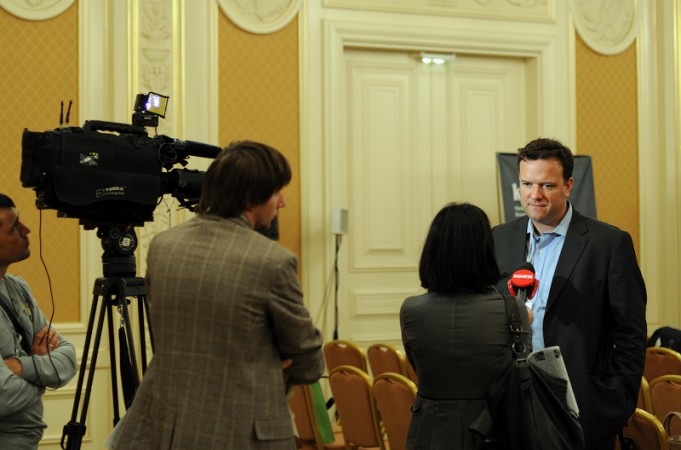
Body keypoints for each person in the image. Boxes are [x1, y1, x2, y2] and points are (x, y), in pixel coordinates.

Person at [113, 140, 325, 449]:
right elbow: (309, 360)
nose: (282, 203)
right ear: (251, 197)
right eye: (276, 192)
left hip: (168, 430)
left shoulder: (163, 246)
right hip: (243, 432)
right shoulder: (272, 261)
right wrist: (269, 368)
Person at [492, 138, 647, 450]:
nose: (535, 195)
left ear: (568, 186)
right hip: (512, 402)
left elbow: (630, 332)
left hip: (582, 406)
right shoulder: (500, 238)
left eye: (547, 185)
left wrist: (616, 401)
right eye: (527, 184)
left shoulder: (608, 244)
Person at [400, 202, 531, 450]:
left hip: (431, 431)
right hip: (493, 432)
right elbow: (520, 373)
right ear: (485, 251)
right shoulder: (512, 310)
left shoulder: (411, 310)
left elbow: (418, 368)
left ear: (433, 250)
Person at [0, 193, 77, 449]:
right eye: (14, 227)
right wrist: (41, 376)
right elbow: (3, 395)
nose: (26, 230)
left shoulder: (19, 287)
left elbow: (68, 357)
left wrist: (21, 368)